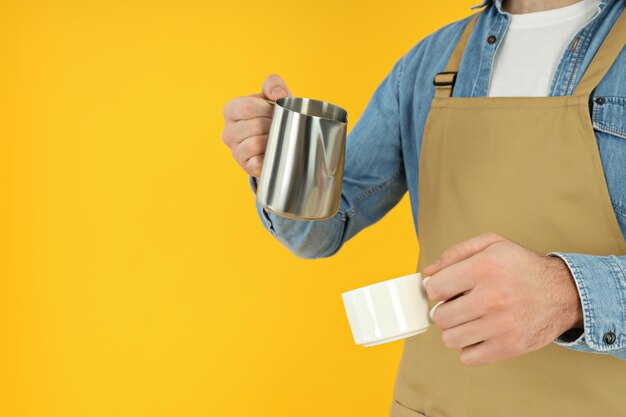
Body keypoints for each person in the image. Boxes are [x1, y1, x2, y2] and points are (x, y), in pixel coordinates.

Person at [221, 0, 626, 415]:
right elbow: (319, 231)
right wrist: (282, 164)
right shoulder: (427, 61)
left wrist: (571, 293)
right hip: (434, 402)